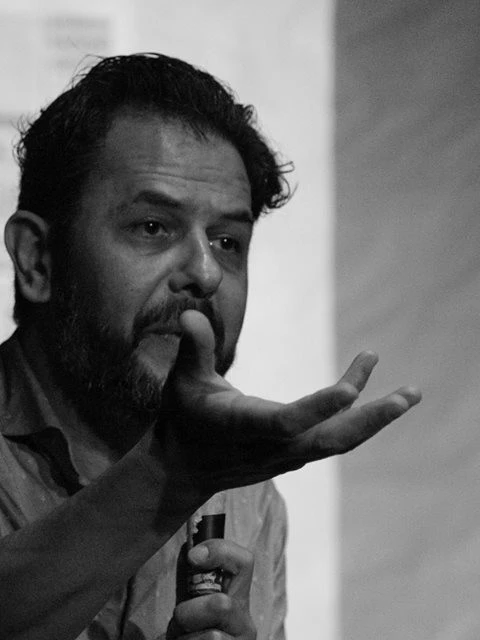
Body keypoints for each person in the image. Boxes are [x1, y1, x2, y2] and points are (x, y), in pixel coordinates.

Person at [0, 53, 421, 640]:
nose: (205, 272)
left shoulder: (247, 495)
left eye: (227, 241)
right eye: (153, 227)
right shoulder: (210, 466)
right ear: (37, 259)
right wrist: (168, 476)